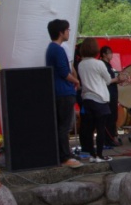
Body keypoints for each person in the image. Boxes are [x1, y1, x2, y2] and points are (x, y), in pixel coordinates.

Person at [77, 37, 126, 163]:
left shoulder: (81, 64)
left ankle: (92, 155)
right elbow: (108, 80)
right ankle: (99, 155)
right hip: (100, 98)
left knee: (89, 129)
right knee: (100, 129)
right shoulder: (99, 64)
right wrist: (119, 79)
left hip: (87, 98)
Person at [46, 19, 82, 169]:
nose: (68, 32)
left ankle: (62, 155)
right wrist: (76, 81)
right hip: (63, 92)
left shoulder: (52, 48)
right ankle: (65, 157)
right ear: (61, 32)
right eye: (67, 30)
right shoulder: (57, 49)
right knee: (64, 127)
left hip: (59, 91)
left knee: (62, 126)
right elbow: (64, 72)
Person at [99, 46, 121, 146]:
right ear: (104, 54)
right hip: (108, 93)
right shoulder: (102, 65)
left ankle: (112, 137)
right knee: (110, 117)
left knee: (113, 117)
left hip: (113, 92)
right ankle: (108, 139)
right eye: (109, 53)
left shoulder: (108, 65)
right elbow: (106, 80)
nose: (111, 55)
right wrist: (117, 79)